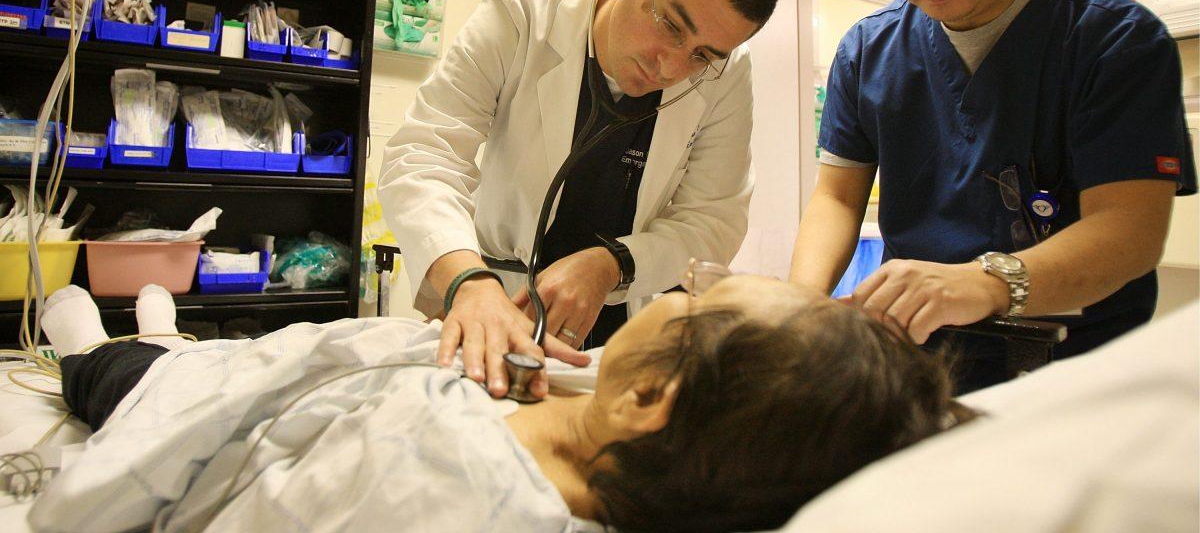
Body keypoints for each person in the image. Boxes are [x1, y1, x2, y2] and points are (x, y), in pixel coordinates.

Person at [790, 0, 1197, 392]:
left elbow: (1130, 231)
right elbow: (838, 199)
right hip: (918, 358)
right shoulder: (867, 51)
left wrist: (988, 282)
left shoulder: (1116, 42)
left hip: (1073, 361)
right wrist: (798, 308)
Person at [29, 277, 964, 533]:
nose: (672, 295)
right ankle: (166, 327)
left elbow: (253, 490)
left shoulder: (427, 482)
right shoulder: (625, 446)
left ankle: (104, 342)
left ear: (648, 397)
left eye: (685, 301)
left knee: (129, 379)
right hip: (306, 369)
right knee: (205, 351)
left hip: (238, 404)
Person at [379, 0, 781, 399]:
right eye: (671, 26)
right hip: (490, 298)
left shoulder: (726, 76)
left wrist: (612, 264)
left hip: (620, 323)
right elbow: (424, 155)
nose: (671, 68)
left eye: (703, 56)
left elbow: (713, 220)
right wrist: (467, 282)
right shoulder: (520, 19)